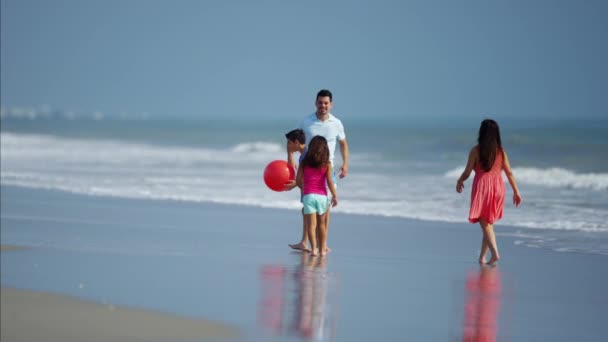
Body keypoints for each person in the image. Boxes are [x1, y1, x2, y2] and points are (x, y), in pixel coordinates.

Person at [286, 89, 349, 252]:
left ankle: (323, 244)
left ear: (331, 105)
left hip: (327, 169)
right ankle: (304, 242)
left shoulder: (336, 123)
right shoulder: (306, 121)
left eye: (326, 103)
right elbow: (294, 139)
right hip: (308, 169)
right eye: (320, 102)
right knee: (306, 207)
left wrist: (345, 164)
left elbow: (343, 144)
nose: (323, 106)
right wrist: (290, 156)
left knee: (325, 209)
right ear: (316, 103)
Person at [456, 119, 522, 265]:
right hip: (498, 187)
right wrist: (516, 191)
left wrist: (460, 180)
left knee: (484, 221)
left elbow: (467, 172)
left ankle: (495, 253)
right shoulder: (501, 152)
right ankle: (482, 257)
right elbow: (509, 173)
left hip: (482, 187)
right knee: (488, 222)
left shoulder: (476, 151)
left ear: (481, 132)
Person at [296, 135, 338, 257]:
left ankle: (314, 249)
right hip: (322, 197)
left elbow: (298, 180)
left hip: (308, 196)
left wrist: (304, 189)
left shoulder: (304, 163)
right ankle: (322, 249)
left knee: (311, 225)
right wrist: (335, 196)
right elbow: (330, 181)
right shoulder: (327, 164)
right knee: (321, 224)